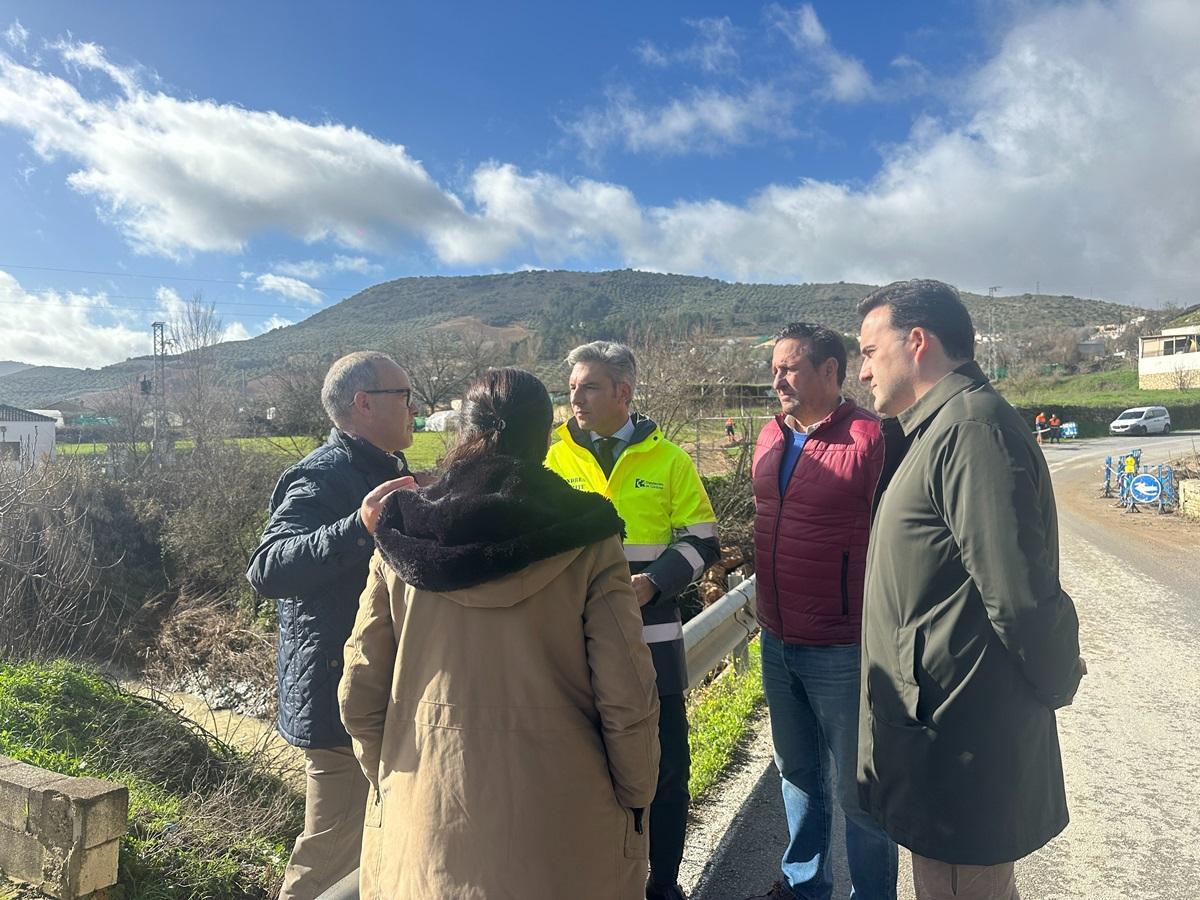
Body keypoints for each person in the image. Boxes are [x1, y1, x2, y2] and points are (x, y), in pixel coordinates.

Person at [338, 368, 661, 900]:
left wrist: (394, 779)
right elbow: (627, 690)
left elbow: (359, 689)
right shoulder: (588, 532)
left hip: (429, 814)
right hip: (567, 822)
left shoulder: (401, 533)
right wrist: (633, 796)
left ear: (463, 432)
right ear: (544, 436)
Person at [856, 280, 1085, 900]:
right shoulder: (936, 428)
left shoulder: (969, 430)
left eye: (870, 352)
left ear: (918, 341)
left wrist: (1057, 680)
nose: (862, 370)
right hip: (936, 725)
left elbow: (1020, 597)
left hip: (960, 735)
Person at [545, 341, 720, 900]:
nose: (575, 397)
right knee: (586, 779)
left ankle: (663, 886)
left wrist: (656, 582)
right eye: (572, 387)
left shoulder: (670, 460)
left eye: (589, 386)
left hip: (654, 647)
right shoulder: (551, 461)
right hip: (574, 652)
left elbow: (702, 540)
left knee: (666, 775)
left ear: (623, 392)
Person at [246, 351, 418, 900]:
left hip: (376, 692)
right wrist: (358, 526)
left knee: (371, 848)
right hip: (336, 698)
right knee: (329, 857)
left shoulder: (385, 471)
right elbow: (267, 567)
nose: (415, 409)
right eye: (405, 397)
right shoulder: (320, 477)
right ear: (363, 404)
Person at [745, 324, 897, 900]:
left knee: (860, 786)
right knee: (796, 772)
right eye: (775, 368)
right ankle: (806, 884)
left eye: (789, 367)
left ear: (831, 370)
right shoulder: (770, 434)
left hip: (842, 642)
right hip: (777, 637)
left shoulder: (871, 438)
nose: (777, 379)